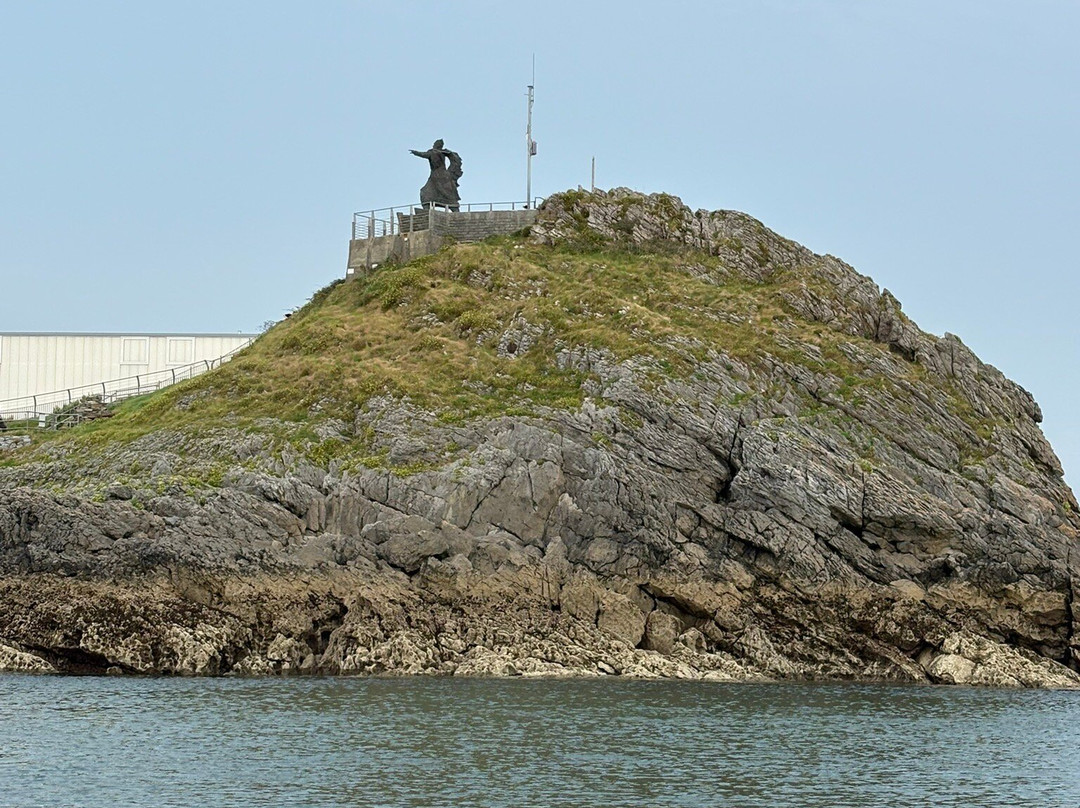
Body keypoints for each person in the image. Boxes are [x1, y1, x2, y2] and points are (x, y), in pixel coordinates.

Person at [410, 139, 462, 211]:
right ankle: (453, 208)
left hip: (438, 176)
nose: (433, 145)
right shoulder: (443, 152)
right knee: (427, 192)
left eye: (434, 143)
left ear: (437, 145)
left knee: (428, 192)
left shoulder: (433, 152)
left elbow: (424, 154)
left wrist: (415, 152)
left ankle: (454, 208)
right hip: (442, 175)